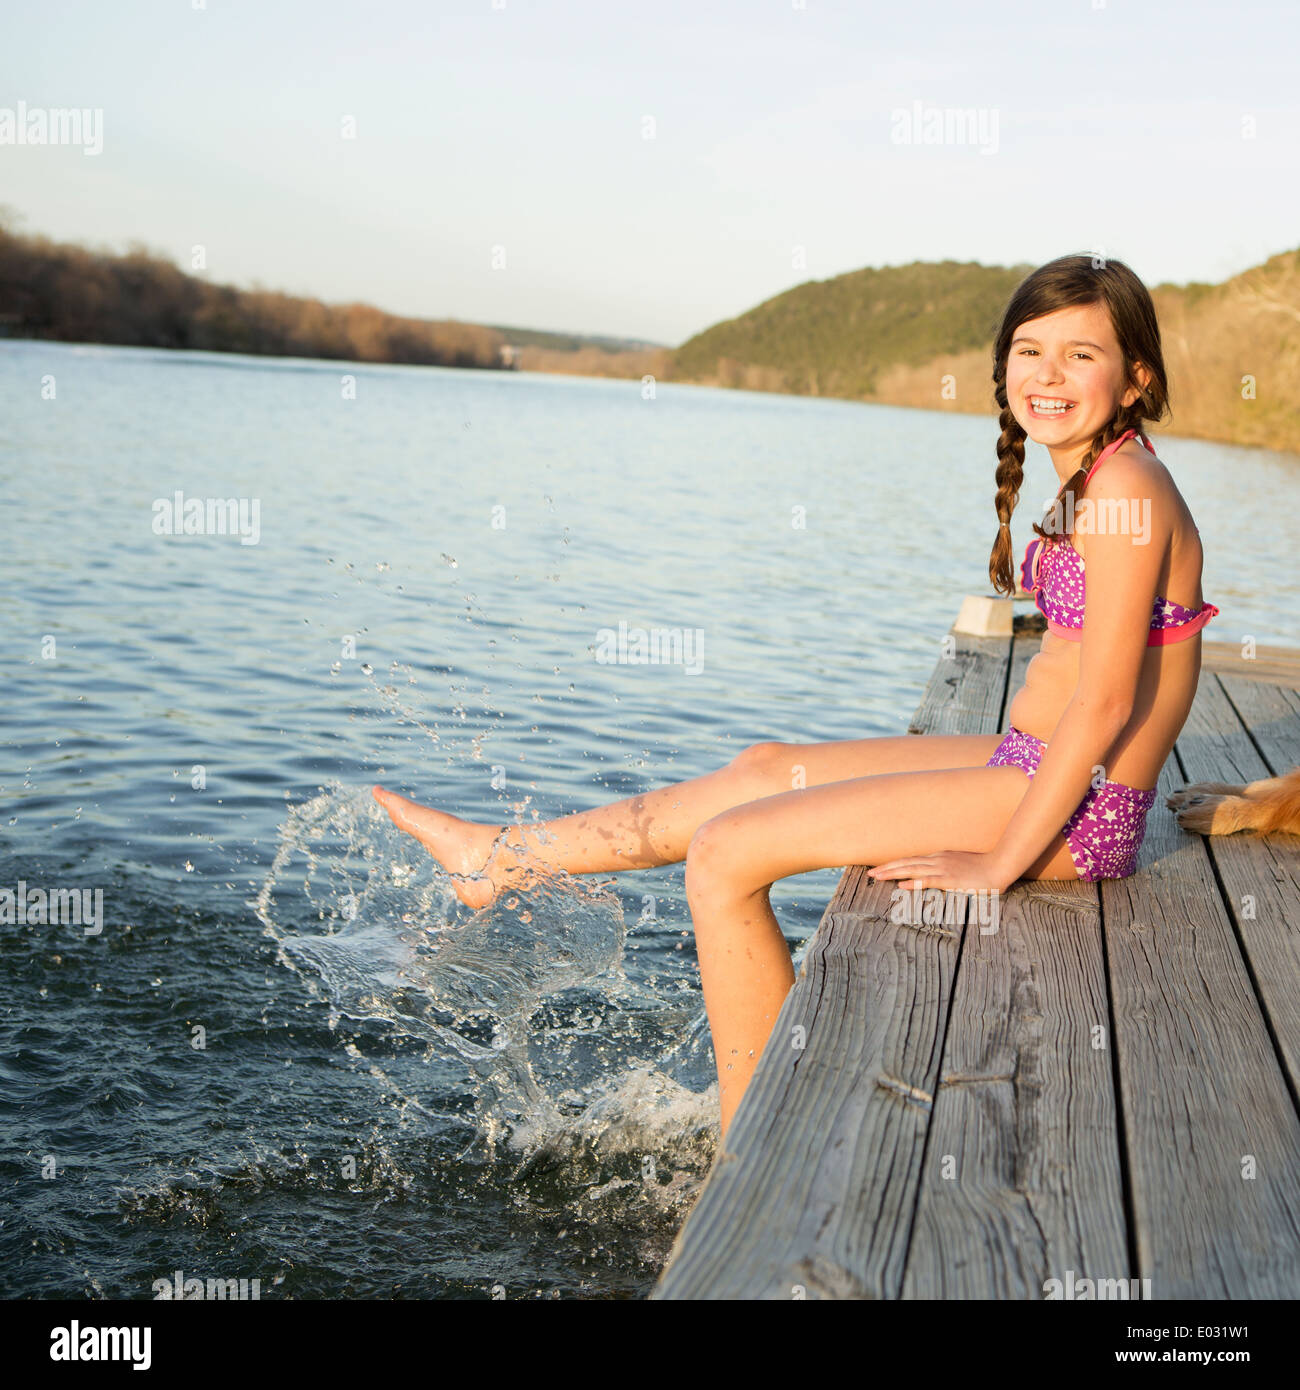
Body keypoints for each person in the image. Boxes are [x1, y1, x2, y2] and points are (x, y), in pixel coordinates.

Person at [374, 253, 1218, 1138]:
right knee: (764, 770)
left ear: (1136, 378)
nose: (1046, 375)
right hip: (1035, 765)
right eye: (1028, 350)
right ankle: (500, 861)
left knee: (727, 855)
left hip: (1080, 808)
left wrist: (998, 864)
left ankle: (751, 1149)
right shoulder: (1099, 472)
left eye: (1080, 355)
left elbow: (1106, 703)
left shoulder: (1125, 487)